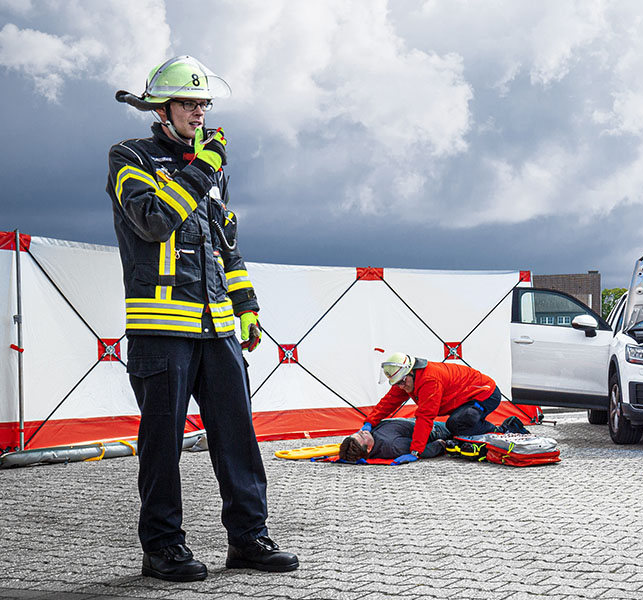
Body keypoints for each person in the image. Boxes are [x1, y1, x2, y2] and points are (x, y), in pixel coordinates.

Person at [107, 56, 298, 581]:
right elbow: (151, 222)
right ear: (162, 109)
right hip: (161, 328)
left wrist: (247, 305)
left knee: (239, 435)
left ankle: (250, 539)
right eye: (190, 103)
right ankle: (163, 548)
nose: (200, 111)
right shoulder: (130, 157)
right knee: (162, 443)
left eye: (203, 103)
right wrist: (202, 168)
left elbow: (224, 247)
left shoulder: (209, 169)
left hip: (218, 331)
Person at [358, 352, 528, 464]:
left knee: (457, 424)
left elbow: (425, 416)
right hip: (464, 399)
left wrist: (416, 450)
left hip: (486, 394)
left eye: (403, 382)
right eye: (397, 384)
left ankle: (505, 428)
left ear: (411, 372)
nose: (401, 387)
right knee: (459, 427)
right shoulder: (406, 379)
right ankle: (484, 426)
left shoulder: (429, 380)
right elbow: (388, 402)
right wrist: (369, 423)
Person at [338, 418, 451, 462]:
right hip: (435, 429)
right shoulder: (393, 446)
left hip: (414, 421)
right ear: (368, 449)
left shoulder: (369, 440)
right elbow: (420, 449)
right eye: (362, 436)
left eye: (358, 433)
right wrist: (440, 445)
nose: (362, 431)